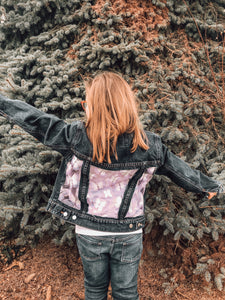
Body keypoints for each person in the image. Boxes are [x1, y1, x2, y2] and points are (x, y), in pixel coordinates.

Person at [0, 71, 223, 300]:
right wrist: (209, 186)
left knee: (94, 289)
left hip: (89, 232)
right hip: (128, 232)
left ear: (93, 107)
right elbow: (181, 172)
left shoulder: (76, 136)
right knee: (126, 292)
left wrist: (3, 103)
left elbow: (37, 121)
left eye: (86, 103)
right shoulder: (149, 145)